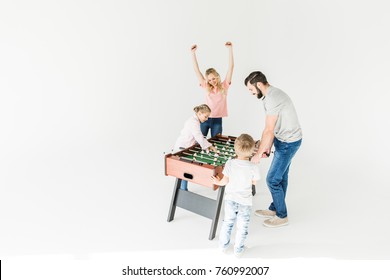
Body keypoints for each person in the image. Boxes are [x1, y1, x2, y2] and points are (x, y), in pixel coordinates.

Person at [244, 71, 302, 228]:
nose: (251, 93)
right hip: (283, 139)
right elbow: (273, 128)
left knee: (272, 180)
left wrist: (257, 154)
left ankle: (282, 216)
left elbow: (268, 130)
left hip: (288, 143)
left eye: (251, 89)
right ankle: (275, 208)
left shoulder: (272, 98)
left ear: (259, 84)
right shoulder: (270, 95)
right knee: (281, 178)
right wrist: (267, 146)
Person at [211, 134, 260, 257]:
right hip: (245, 202)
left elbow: (225, 181)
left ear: (235, 148)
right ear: (251, 152)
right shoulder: (254, 167)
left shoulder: (230, 163)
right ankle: (238, 250)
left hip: (230, 200)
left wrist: (217, 182)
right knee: (242, 227)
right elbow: (254, 182)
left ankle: (223, 247)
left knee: (227, 223)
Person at [191, 42, 234, 137]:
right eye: (209, 80)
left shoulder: (224, 86)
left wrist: (230, 49)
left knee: (215, 143)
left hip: (217, 120)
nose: (212, 81)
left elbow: (231, 68)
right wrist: (193, 53)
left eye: (213, 78)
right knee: (200, 143)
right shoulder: (206, 86)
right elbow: (196, 70)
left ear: (217, 77)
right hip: (204, 119)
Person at [173, 104, 217, 191]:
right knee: (185, 170)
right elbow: (198, 136)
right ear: (200, 113)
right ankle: (183, 190)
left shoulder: (195, 121)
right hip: (182, 147)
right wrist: (210, 146)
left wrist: (206, 144)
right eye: (206, 116)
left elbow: (197, 136)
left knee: (185, 170)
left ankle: (183, 189)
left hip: (185, 146)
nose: (207, 119)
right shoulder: (193, 122)